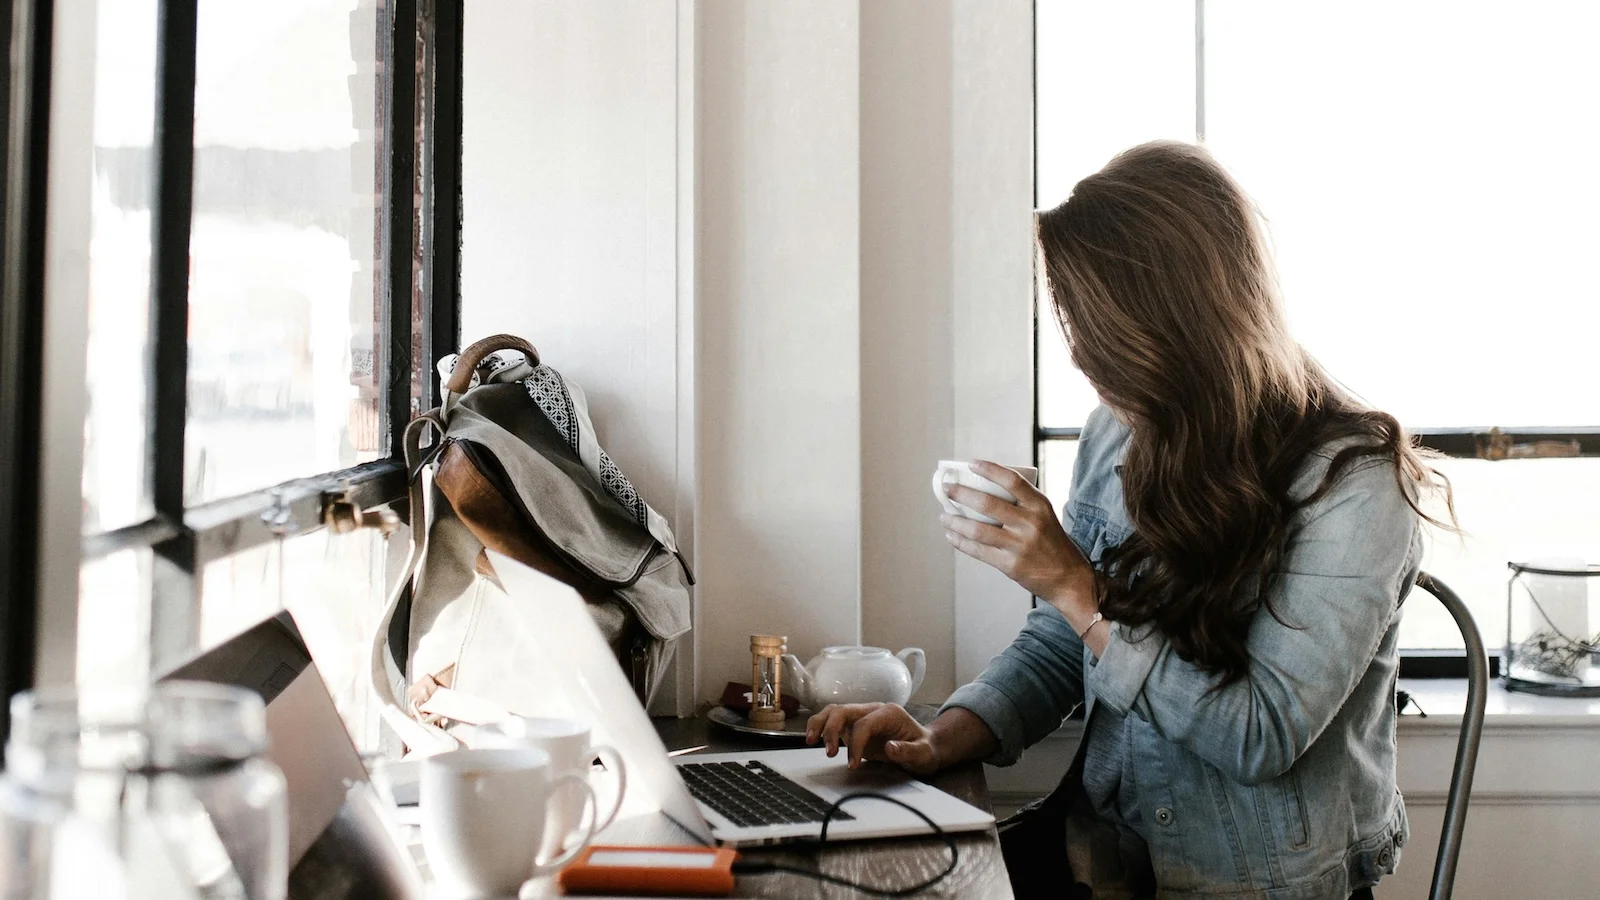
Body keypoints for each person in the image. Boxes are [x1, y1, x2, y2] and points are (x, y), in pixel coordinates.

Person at [806, 141, 1453, 899]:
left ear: (1174, 324)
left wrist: (1077, 586)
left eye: (1094, 328)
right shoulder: (1120, 430)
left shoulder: (1356, 484)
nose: (1080, 354)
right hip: (1105, 856)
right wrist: (941, 735)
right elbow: (1063, 644)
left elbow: (1260, 733)